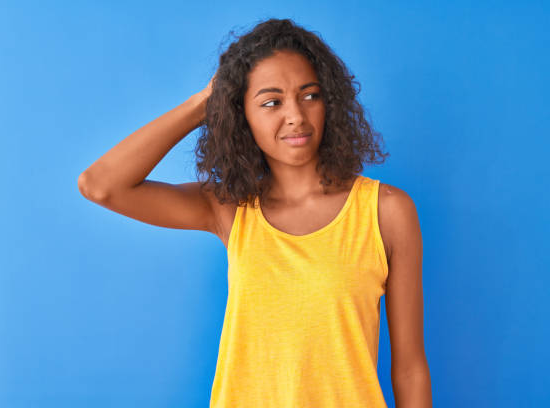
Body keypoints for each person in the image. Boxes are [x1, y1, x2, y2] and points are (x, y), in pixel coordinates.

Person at [78, 17, 432, 408]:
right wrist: (203, 103)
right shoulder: (229, 208)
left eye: (310, 95)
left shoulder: (385, 211)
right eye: (271, 102)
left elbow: (410, 368)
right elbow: (101, 185)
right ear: (239, 114)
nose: (296, 115)